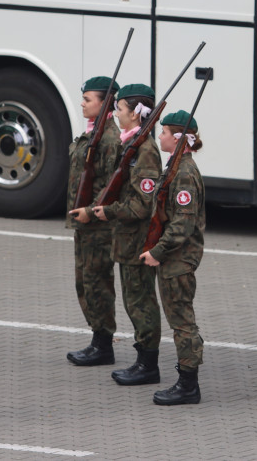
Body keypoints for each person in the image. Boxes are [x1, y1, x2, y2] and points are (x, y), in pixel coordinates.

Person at [90, 84, 162, 386]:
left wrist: (111, 211)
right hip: (126, 238)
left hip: (137, 240)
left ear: (135, 113)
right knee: (134, 300)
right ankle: (142, 359)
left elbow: (143, 204)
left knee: (140, 301)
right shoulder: (130, 145)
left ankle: (148, 364)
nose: (116, 114)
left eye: (120, 109)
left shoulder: (145, 152)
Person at [139, 110, 205, 405]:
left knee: (182, 321)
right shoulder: (176, 167)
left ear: (178, 139)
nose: (160, 136)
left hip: (178, 259)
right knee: (179, 319)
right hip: (173, 257)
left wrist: (158, 251)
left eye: (164, 132)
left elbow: (183, 223)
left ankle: (188, 385)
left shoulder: (185, 173)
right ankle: (186, 381)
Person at [64, 77, 121, 367]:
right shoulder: (93, 133)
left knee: (97, 282)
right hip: (84, 222)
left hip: (98, 225)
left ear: (104, 104)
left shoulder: (109, 139)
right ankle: (97, 339)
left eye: (88, 99)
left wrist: (90, 208)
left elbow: (112, 185)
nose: (83, 104)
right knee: (84, 282)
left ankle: (103, 344)